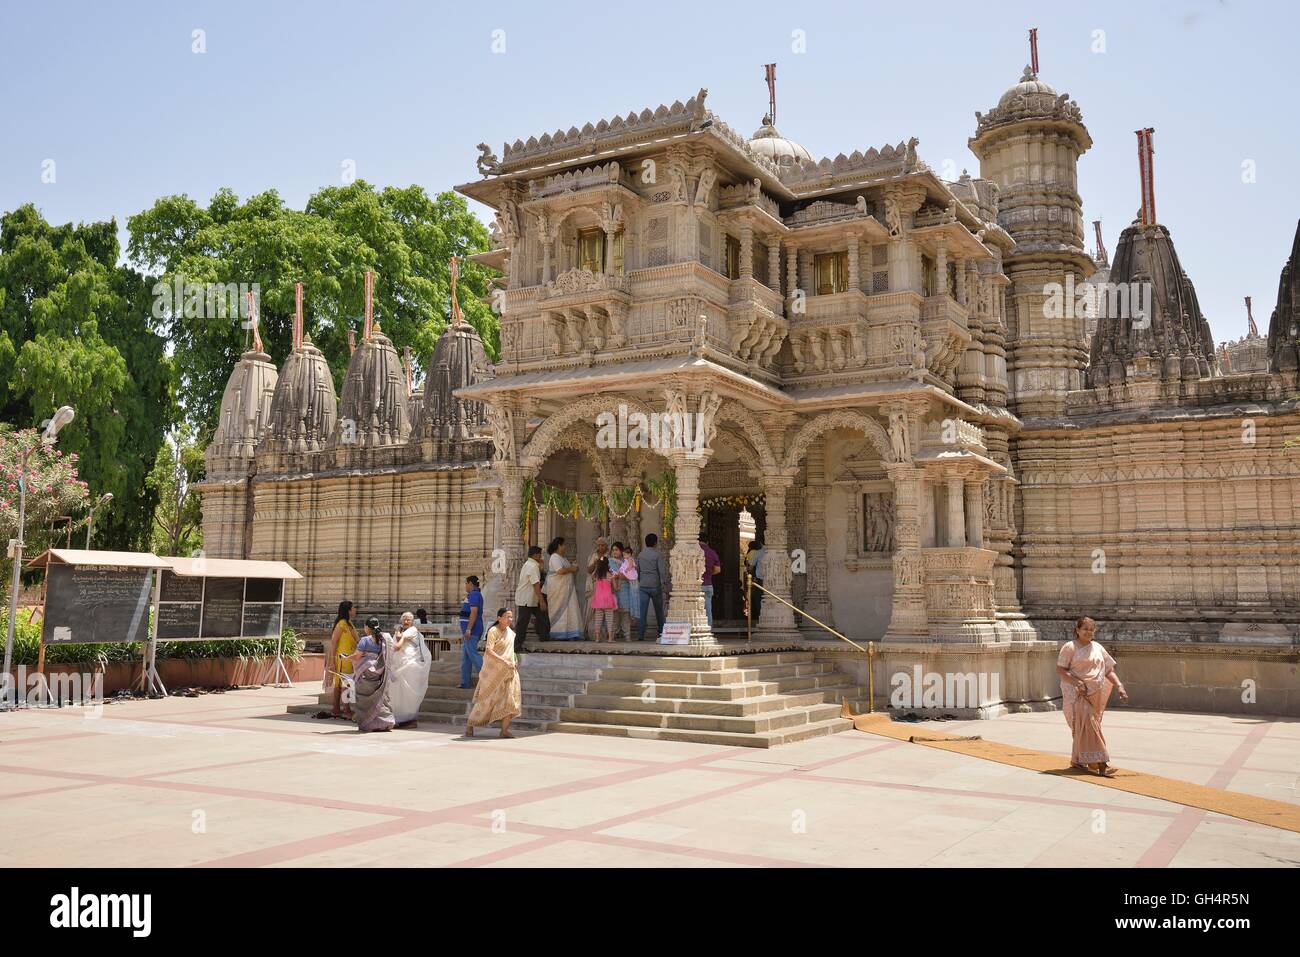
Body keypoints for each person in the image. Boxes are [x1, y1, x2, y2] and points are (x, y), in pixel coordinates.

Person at [1056, 616, 1128, 776]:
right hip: (1077, 695)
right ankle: (1102, 764)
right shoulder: (1070, 647)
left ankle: (1077, 760)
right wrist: (1076, 682)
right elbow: (1060, 670)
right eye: (1085, 629)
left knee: (1085, 728)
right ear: (1077, 630)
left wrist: (1119, 686)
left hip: (1094, 694)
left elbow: (1109, 670)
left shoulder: (1097, 647)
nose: (1088, 632)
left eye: (1091, 629)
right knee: (1090, 727)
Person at [465, 608, 522, 738]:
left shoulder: (511, 633)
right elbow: (489, 650)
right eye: (507, 617)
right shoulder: (493, 631)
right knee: (486, 700)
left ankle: (504, 730)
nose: (510, 619)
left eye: (511, 617)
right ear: (499, 618)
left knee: (511, 701)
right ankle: (470, 724)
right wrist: (504, 661)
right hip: (493, 672)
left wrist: (515, 659)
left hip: (509, 671)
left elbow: (511, 650)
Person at [347, 617, 395, 733]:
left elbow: (357, 656)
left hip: (365, 672)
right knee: (380, 698)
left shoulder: (365, 640)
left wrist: (346, 658)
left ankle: (369, 724)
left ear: (367, 627)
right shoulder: (385, 639)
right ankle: (385, 722)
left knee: (363, 698)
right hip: (380, 671)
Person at [388, 611, 431, 728]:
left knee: (408, 695)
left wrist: (397, 630)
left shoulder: (412, 630)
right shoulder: (403, 629)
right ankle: (399, 718)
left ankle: (409, 719)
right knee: (399, 694)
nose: (406, 621)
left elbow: (398, 641)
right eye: (404, 619)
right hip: (399, 665)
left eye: (408, 620)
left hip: (410, 666)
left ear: (412, 621)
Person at [543, 537, 583, 640]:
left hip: (567, 590)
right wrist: (572, 569)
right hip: (558, 590)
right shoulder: (554, 557)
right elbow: (559, 571)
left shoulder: (563, 558)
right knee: (559, 611)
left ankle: (570, 633)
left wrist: (573, 567)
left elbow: (567, 569)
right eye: (564, 545)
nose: (565, 547)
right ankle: (557, 633)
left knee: (570, 610)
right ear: (559, 545)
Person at [324, 600, 357, 720]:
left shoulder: (349, 624)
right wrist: (332, 660)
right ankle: (346, 709)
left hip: (349, 658)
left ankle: (336, 709)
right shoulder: (342, 624)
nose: (355, 610)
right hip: (342, 658)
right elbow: (333, 642)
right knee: (346, 684)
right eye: (353, 608)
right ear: (348, 610)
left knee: (339, 684)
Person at [515, 545, 550, 643]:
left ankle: (544, 636)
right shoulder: (532, 566)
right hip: (527, 600)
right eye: (540, 555)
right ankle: (517, 645)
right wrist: (542, 600)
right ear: (535, 555)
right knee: (523, 623)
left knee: (543, 616)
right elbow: (536, 584)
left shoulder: (529, 564)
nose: (541, 557)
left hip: (531, 599)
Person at [636, 533, 668, 641]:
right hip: (655, 585)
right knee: (659, 611)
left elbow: (637, 571)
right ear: (655, 543)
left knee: (642, 611)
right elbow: (662, 571)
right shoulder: (657, 555)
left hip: (643, 585)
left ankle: (641, 634)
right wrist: (665, 584)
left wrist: (640, 580)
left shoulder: (640, 555)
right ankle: (661, 633)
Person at [610, 541, 639, 641]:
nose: (614, 552)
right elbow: (610, 575)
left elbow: (631, 576)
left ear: (621, 551)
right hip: (614, 590)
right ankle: (612, 635)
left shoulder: (626, 562)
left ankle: (627, 635)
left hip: (625, 589)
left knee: (625, 613)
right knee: (614, 614)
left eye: (617, 550)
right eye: (613, 550)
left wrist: (622, 576)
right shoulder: (609, 561)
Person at [459, 576, 485, 689]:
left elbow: (473, 612)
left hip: (472, 631)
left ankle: (488, 677)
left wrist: (468, 629)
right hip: (469, 631)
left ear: (470, 583)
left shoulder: (474, 594)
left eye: (466, 583)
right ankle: (465, 682)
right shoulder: (474, 594)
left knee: (473, 655)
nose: (465, 586)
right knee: (466, 658)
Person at [588, 557, 619, 642]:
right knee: (610, 619)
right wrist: (618, 586)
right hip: (608, 599)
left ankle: (597, 638)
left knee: (598, 619)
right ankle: (610, 638)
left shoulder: (596, 576)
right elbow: (615, 588)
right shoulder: (610, 574)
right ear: (607, 564)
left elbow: (593, 581)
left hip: (598, 600)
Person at [584, 537, 609, 638]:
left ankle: (606, 633)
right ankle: (589, 632)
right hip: (594, 585)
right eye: (599, 545)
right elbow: (589, 570)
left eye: (602, 545)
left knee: (605, 610)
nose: (600, 547)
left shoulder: (609, 555)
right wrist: (595, 562)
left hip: (605, 585)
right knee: (592, 608)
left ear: (606, 546)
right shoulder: (594, 555)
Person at [698, 533, 722, 630]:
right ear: (707, 542)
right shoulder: (712, 552)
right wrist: (708, 573)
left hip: (696, 585)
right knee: (708, 609)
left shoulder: (694, 551)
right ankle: (709, 629)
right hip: (708, 584)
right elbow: (718, 570)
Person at [745, 541, 765, 623]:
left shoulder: (757, 553)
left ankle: (759, 615)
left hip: (759, 579)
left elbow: (750, 566)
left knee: (758, 597)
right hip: (772, 580)